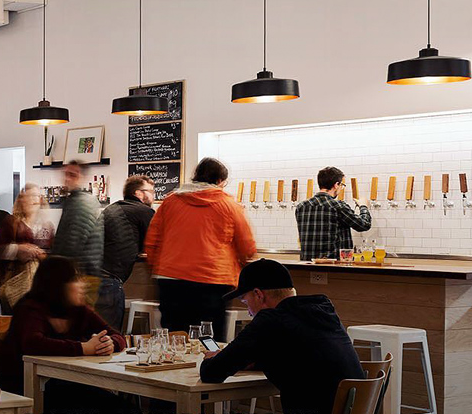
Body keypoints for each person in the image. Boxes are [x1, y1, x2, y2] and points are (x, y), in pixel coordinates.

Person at [200, 259, 364, 414]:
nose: (249, 312)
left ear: (258, 294)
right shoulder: (323, 311)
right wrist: (247, 362)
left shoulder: (270, 320)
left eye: (245, 301)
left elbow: (212, 373)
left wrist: (213, 359)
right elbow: (300, 357)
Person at [0, 256, 136, 414]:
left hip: (68, 383)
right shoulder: (30, 308)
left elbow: (117, 335)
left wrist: (110, 343)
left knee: (126, 409)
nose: (83, 285)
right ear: (58, 285)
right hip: (27, 386)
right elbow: (33, 343)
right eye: (75, 280)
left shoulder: (78, 310)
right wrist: (84, 348)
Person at [145, 157, 256, 338]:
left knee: (175, 333)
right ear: (220, 181)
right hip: (212, 280)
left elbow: (152, 240)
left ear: (195, 177)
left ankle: (175, 366)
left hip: (171, 279)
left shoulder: (170, 201)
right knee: (209, 337)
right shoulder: (229, 204)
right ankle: (207, 366)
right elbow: (247, 246)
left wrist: (158, 267)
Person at [95, 175, 155, 330]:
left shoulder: (111, 208)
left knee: (95, 331)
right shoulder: (144, 211)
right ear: (138, 193)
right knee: (109, 334)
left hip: (91, 276)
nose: (153, 195)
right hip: (110, 279)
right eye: (150, 191)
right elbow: (153, 244)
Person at [50, 162, 103, 307]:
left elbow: (73, 241)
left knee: (78, 323)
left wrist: (53, 266)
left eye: (72, 175)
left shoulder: (82, 203)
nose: (67, 179)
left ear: (83, 177)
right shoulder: (74, 200)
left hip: (80, 276)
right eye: (66, 174)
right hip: (77, 274)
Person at [0, 184, 55, 310]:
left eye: (37, 196)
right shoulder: (11, 222)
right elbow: (0, 251)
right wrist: (19, 249)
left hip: (41, 281)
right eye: (31, 196)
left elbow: (52, 252)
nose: (35, 200)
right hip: (16, 279)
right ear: (22, 199)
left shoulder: (47, 225)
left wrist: (41, 255)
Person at [295, 167, 372, 261]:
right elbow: (364, 225)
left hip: (306, 265)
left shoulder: (301, 207)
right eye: (342, 185)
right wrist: (363, 206)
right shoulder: (337, 206)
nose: (341, 189)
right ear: (336, 185)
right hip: (334, 266)